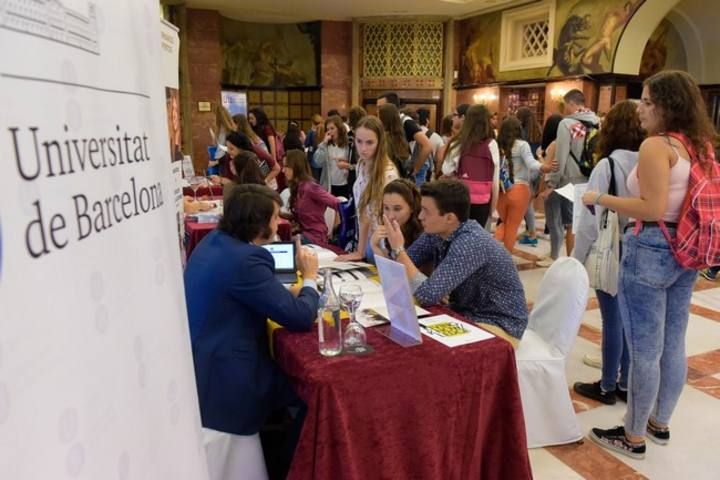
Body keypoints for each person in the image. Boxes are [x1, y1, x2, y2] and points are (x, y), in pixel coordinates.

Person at [582, 71, 716, 459]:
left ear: (665, 105)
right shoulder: (699, 144)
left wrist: (600, 198)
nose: (639, 109)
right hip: (687, 250)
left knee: (643, 349)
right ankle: (659, 422)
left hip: (652, 246)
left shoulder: (656, 146)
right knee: (673, 344)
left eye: (646, 101)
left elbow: (652, 207)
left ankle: (633, 435)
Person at [184, 184, 320, 476]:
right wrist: (310, 278)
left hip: (203, 365)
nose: (278, 222)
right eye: (274, 217)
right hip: (229, 380)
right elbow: (300, 318)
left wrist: (283, 294)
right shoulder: (248, 260)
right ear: (259, 223)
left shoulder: (214, 241)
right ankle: (293, 465)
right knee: (315, 391)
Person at [373, 179, 528, 346]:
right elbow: (401, 270)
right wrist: (377, 247)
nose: (419, 216)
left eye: (426, 211)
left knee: (426, 346)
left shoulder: (470, 242)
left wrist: (399, 250)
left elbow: (428, 295)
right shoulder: (437, 232)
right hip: (464, 313)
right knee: (398, 319)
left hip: (499, 324)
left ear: (449, 218)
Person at [571, 99, 645, 405]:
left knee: (612, 319)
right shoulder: (648, 161)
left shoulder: (608, 165)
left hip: (610, 249)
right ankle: (626, 383)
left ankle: (606, 385)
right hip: (640, 244)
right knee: (631, 319)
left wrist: (577, 257)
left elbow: (591, 217)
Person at [543, 90, 600, 265]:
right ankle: (578, 260)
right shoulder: (596, 121)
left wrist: (552, 182)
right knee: (578, 223)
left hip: (569, 180)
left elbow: (561, 155)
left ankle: (570, 264)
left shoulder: (567, 123)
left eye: (566, 105)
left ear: (571, 103)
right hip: (588, 178)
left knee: (568, 223)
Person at [336, 115, 399, 262]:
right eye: (359, 141)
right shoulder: (361, 164)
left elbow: (368, 215)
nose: (363, 148)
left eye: (369, 142)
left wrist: (360, 251)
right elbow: (362, 212)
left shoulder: (387, 173)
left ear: (379, 142)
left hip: (382, 247)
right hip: (366, 240)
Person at [494, 116, 557, 252]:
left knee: (505, 223)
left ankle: (490, 251)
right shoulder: (522, 145)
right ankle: (504, 259)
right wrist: (544, 167)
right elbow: (531, 163)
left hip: (500, 191)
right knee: (511, 226)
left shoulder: (497, 145)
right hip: (519, 191)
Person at [441, 104, 499, 227]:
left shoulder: (458, 143)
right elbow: (495, 180)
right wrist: (493, 209)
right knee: (476, 237)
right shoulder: (492, 144)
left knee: (458, 234)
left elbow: (446, 170)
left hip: (460, 198)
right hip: (483, 200)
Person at [284, 149, 341, 246]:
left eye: (286, 166)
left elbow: (339, 204)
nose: (283, 170)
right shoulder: (298, 187)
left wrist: (335, 230)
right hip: (305, 234)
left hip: (314, 237)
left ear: (296, 167)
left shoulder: (310, 187)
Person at [376, 92, 433, 185]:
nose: (378, 111)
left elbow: (427, 146)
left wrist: (415, 170)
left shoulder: (406, 122)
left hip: (404, 174)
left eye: (380, 108)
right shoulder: (389, 126)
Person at [370, 178, 423, 256]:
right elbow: (389, 265)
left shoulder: (422, 236)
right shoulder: (390, 229)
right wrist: (375, 246)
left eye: (397, 209)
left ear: (412, 207)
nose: (390, 216)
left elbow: (403, 267)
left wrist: (398, 248)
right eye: (386, 208)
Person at [516, 107, 544, 246]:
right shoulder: (538, 131)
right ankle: (529, 231)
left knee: (526, 205)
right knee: (528, 203)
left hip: (525, 170)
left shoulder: (522, 134)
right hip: (536, 170)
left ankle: (532, 233)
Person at [235, 113, 280, 189]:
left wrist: (263, 181)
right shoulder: (250, 138)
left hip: (266, 182)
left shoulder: (252, 142)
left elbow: (267, 163)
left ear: (238, 125)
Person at [312, 115, 352, 198]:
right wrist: (324, 142)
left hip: (345, 184)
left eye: (332, 128)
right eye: (328, 129)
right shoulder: (326, 146)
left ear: (339, 128)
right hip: (329, 185)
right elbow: (317, 162)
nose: (330, 132)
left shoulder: (348, 144)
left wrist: (347, 165)